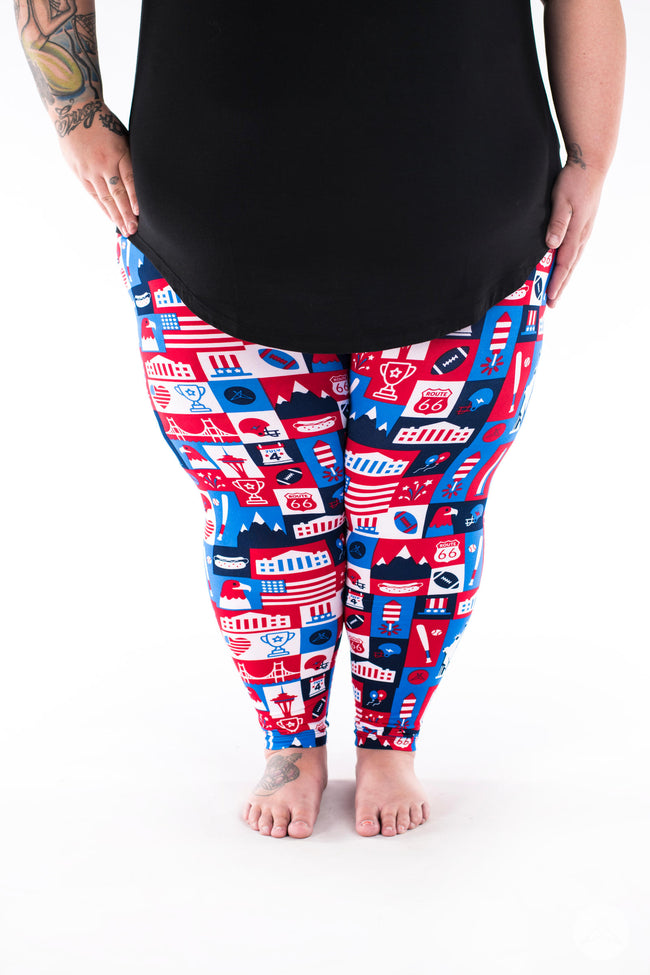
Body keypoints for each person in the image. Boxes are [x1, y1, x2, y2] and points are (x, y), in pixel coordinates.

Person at [15, 0, 625, 839]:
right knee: (260, 513)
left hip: (463, 200)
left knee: (422, 514)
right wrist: (75, 118)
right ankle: (290, 743)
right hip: (212, 210)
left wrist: (593, 157)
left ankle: (390, 741)